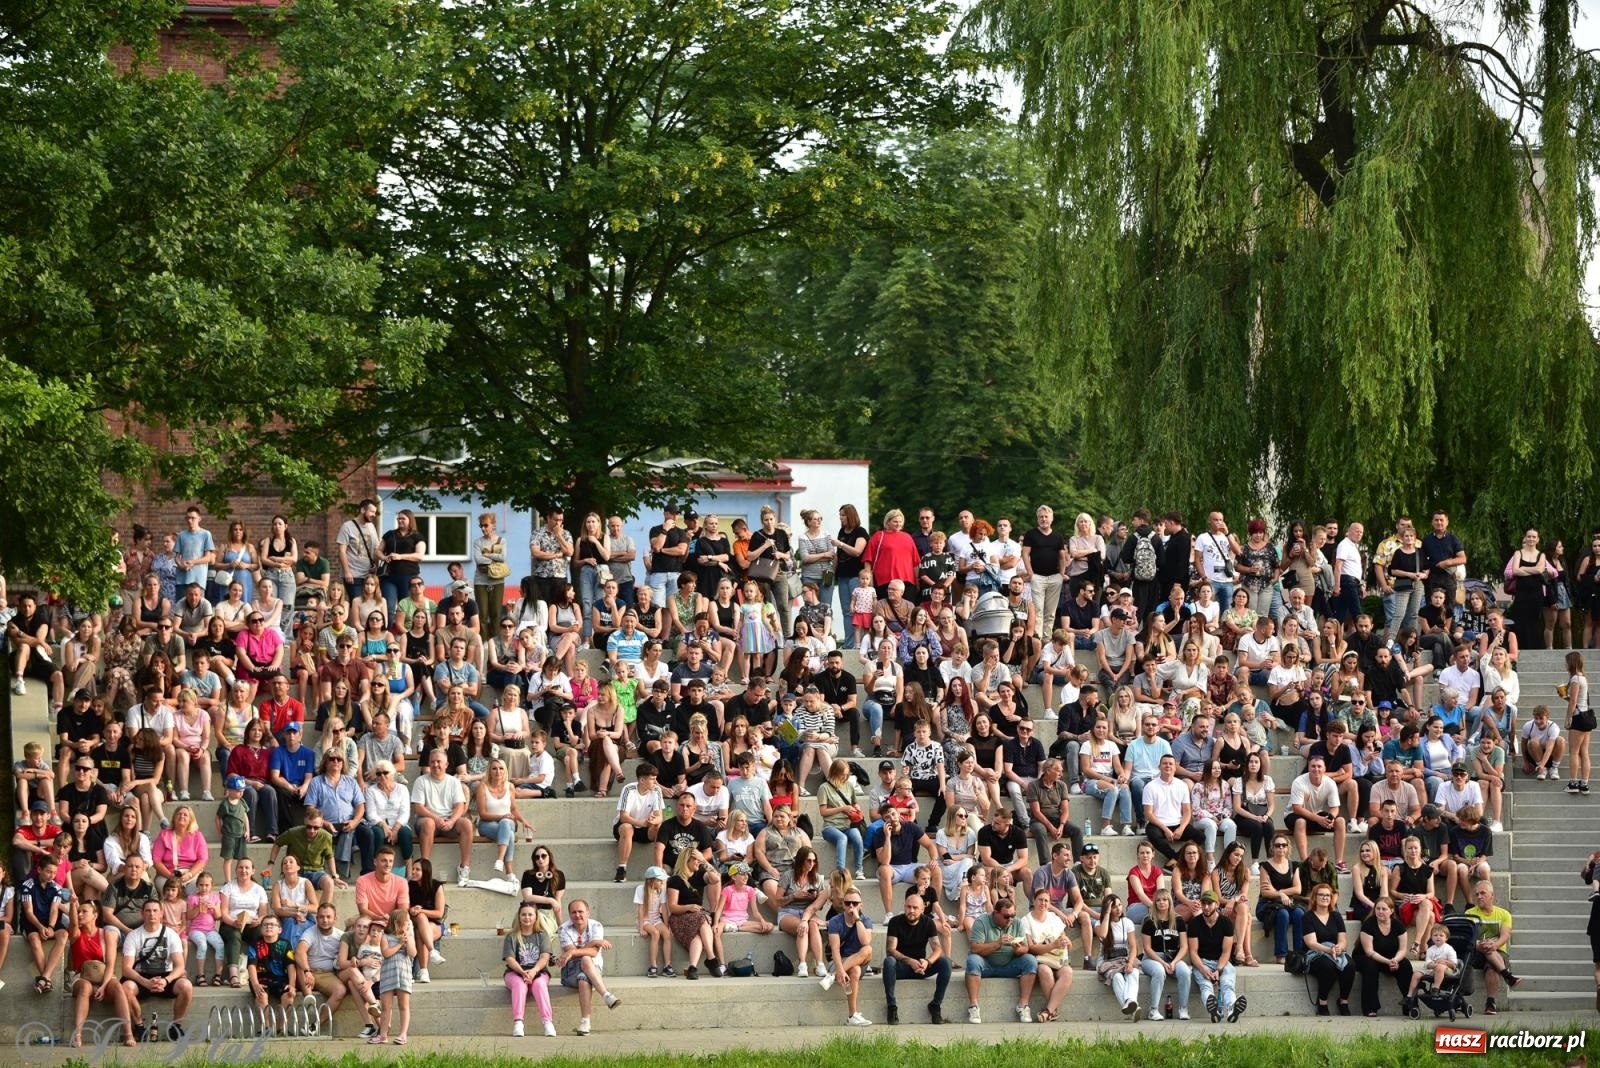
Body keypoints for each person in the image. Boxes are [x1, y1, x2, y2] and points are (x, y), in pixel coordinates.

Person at [67, 899, 138, 1048]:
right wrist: (73, 905)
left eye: (84, 911)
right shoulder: (76, 933)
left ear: (95, 915)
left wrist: (104, 985)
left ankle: (128, 1034)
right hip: (81, 977)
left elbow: (111, 964)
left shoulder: (107, 934)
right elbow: (73, 924)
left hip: (103, 976)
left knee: (117, 987)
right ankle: (77, 1035)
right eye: (78, 912)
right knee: (85, 987)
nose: (80, 914)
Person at [120, 898, 194, 1042]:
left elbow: (180, 966)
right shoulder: (133, 936)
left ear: (161, 913)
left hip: (165, 976)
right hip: (141, 977)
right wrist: (146, 982)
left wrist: (166, 980)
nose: (152, 914)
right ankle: (139, 1026)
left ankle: (176, 1026)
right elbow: (126, 969)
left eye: (155, 911)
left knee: (186, 986)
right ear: (142, 914)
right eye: (148, 911)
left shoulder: (171, 934)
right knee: (126, 988)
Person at [963, 894, 1038, 1024]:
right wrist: (998, 943)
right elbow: (975, 948)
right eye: (1006, 916)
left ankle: (1023, 1005)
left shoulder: (1017, 923)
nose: (1010, 919)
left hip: (1010, 965)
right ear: (996, 913)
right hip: (986, 964)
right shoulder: (982, 921)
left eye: (1013, 915)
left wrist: (1018, 950)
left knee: (1030, 961)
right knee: (972, 961)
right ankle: (973, 1006)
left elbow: (1026, 948)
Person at [883, 885, 952, 1025]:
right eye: (908, 907)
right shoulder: (895, 922)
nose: (911, 910)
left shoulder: (928, 923)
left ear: (922, 909)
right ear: (904, 907)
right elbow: (890, 950)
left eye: (915, 908)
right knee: (889, 961)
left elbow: (938, 949)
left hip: (921, 967)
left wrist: (927, 962)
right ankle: (891, 1007)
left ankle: (936, 1005)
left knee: (946, 961)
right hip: (902, 968)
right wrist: (910, 961)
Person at [556, 899, 621, 1036]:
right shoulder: (563, 929)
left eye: (580, 911)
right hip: (571, 970)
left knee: (584, 974)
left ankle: (585, 1023)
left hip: (593, 968)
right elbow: (572, 953)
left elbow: (593, 952)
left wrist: (574, 951)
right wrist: (594, 942)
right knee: (584, 963)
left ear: (588, 913)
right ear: (569, 914)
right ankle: (606, 995)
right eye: (573, 912)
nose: (577, 915)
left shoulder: (596, 926)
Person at [412, 749, 472, 886]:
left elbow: (460, 806)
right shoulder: (421, 781)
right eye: (432, 762)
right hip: (427, 820)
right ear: (428, 764)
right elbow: (419, 808)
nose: (435, 765)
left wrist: (451, 821)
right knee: (428, 823)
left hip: (449, 822)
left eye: (439, 761)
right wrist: (436, 818)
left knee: (467, 824)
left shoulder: (454, 782)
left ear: (446, 764)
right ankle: (425, 869)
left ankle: (464, 868)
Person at [1187, 889, 1246, 1023]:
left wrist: (1218, 970)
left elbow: (1226, 952)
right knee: (1205, 985)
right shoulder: (1194, 924)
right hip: (1202, 962)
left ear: (1217, 904)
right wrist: (1203, 969)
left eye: (1210, 903)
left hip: (1221, 962)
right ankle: (1213, 1010)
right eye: (1204, 903)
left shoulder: (1226, 923)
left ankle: (1231, 1008)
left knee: (1227, 982)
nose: (1206, 907)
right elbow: (1193, 952)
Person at [818, 887, 875, 1026]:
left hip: (860, 958)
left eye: (855, 903)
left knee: (868, 949)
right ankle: (852, 1015)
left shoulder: (866, 920)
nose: (851, 906)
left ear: (861, 905)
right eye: (848, 903)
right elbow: (835, 950)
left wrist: (857, 919)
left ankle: (832, 976)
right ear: (843, 904)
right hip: (840, 960)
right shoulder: (835, 921)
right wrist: (841, 970)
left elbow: (865, 941)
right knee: (854, 970)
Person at [1464, 880, 1519, 1015]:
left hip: (1498, 951)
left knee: (1492, 966)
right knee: (1487, 949)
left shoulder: (1504, 914)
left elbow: (1505, 936)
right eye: (1477, 894)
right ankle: (1507, 976)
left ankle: (1490, 1004)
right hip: (1476, 952)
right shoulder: (1469, 914)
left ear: (1492, 895)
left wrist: (1494, 945)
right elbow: (1467, 938)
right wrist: (1478, 945)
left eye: (1483, 893)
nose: (1479, 897)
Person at [503, 901, 557, 1038]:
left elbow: (545, 957)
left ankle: (547, 1022)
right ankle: (518, 1022)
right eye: (523, 914)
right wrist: (522, 972)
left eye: (530, 914)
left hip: (538, 972)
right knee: (519, 985)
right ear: (519, 916)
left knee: (539, 985)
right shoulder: (511, 936)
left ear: (536, 917)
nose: (527, 917)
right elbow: (509, 959)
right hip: (515, 972)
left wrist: (533, 971)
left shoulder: (542, 935)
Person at [1286, 756, 1348, 870]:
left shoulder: (1330, 783)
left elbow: (1335, 808)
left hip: (1316, 814)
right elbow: (1297, 808)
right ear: (1308, 768)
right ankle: (1305, 863)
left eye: (1319, 766)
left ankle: (1339, 862)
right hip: (1294, 815)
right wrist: (1319, 819)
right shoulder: (1299, 782)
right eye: (1313, 766)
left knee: (1340, 821)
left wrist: (1331, 817)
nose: (1316, 769)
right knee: (1300, 822)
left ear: (1324, 769)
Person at [1139, 887, 1192, 1020]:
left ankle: (1183, 1008)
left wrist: (1174, 963)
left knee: (1185, 972)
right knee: (1159, 971)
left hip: (1173, 957)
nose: (1161, 902)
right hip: (1152, 958)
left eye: (1164, 899)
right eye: (1158, 900)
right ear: (1154, 903)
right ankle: (1153, 1010)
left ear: (1169, 902)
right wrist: (1163, 963)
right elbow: (1147, 948)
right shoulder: (1149, 920)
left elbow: (1184, 946)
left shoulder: (1178, 920)